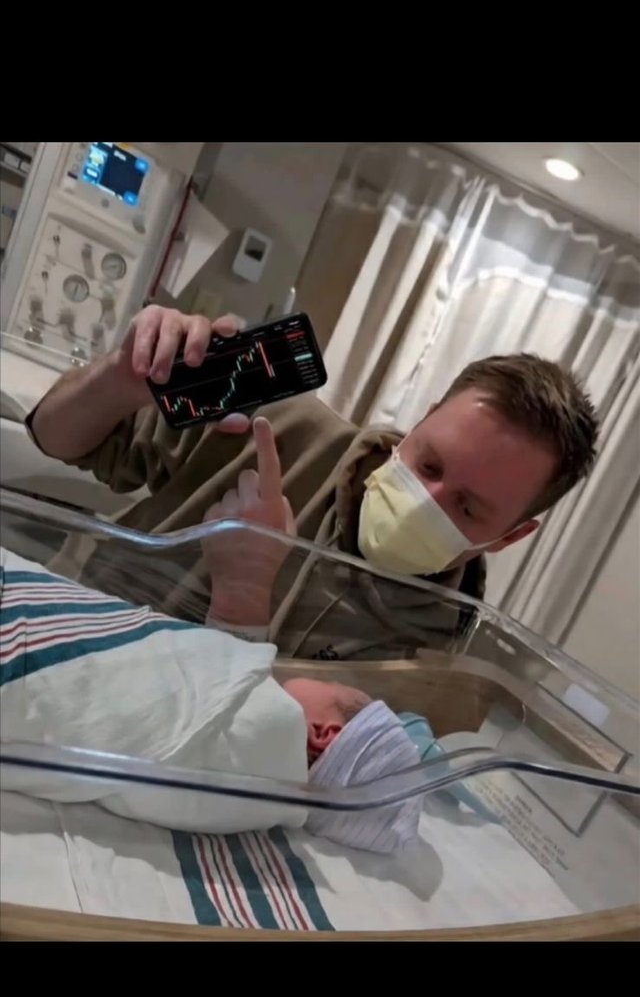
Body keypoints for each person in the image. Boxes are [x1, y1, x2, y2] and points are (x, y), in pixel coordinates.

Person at [23, 304, 599, 660]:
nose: (426, 501)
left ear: (509, 537)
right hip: (51, 645)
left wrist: (244, 597)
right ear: (421, 422)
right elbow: (54, 436)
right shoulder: (278, 424)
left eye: (467, 508)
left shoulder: (428, 646)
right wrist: (120, 379)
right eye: (429, 465)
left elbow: (273, 762)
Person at [0, 541, 424, 854]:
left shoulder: (265, 738)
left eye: (335, 688)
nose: (321, 679)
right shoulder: (245, 814)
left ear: (323, 732)